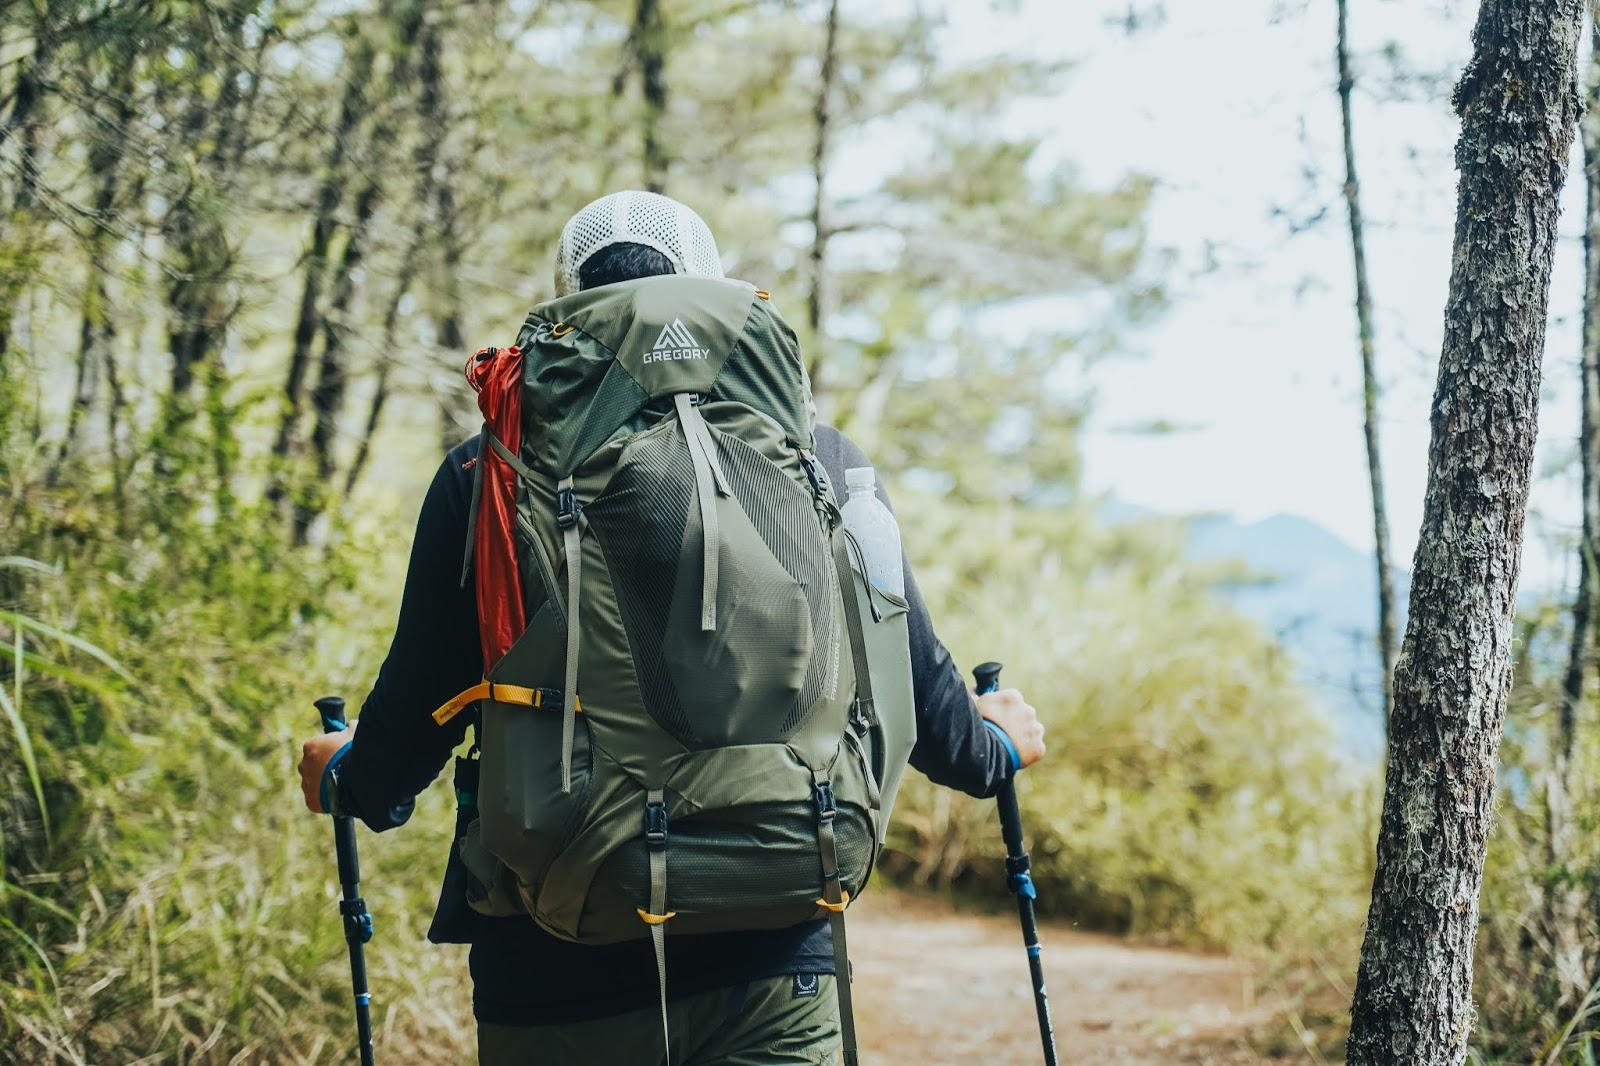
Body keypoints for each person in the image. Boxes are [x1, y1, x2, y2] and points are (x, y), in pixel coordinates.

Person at [297, 190, 1046, 1065]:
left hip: (555, 974)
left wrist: (347, 775)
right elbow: (920, 699)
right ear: (714, 294)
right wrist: (997, 744)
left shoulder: (491, 473)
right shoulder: (820, 459)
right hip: (777, 958)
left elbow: (410, 728)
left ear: (572, 305)